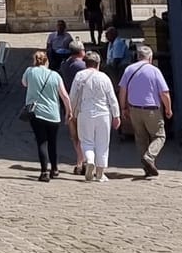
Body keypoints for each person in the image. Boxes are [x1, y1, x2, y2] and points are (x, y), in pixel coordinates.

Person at [119, 42, 173, 177]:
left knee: (141, 138)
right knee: (159, 136)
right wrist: (168, 109)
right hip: (152, 110)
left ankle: (148, 167)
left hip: (134, 109)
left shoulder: (129, 70)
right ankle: (149, 157)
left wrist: (123, 108)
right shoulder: (154, 71)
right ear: (150, 57)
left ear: (138, 57)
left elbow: (122, 91)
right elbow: (164, 93)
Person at [68, 47, 119, 181]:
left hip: (86, 112)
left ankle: (89, 160)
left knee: (86, 141)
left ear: (86, 63)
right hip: (103, 113)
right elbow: (112, 98)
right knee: (103, 143)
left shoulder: (80, 76)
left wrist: (71, 112)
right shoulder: (104, 77)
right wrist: (116, 115)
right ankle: (100, 174)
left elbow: (73, 96)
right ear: (98, 63)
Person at [20, 51, 71, 182]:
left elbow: (24, 83)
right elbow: (64, 95)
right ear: (46, 61)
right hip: (53, 114)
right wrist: (69, 111)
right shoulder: (55, 75)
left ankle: (44, 172)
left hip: (37, 112)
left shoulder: (30, 71)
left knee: (42, 142)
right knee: (52, 142)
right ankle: (54, 169)